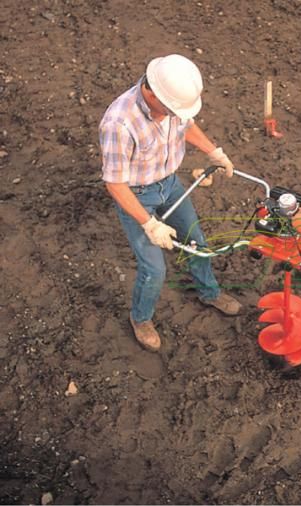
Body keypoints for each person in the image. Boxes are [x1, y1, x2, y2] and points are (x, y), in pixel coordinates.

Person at [99, 54, 242, 352]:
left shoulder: (170, 104)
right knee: (154, 269)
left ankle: (209, 292)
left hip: (171, 183)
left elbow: (185, 125)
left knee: (196, 241)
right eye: (169, 109)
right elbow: (114, 183)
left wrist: (213, 151)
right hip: (137, 194)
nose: (172, 114)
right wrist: (149, 224)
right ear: (150, 91)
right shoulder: (119, 123)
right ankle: (141, 318)